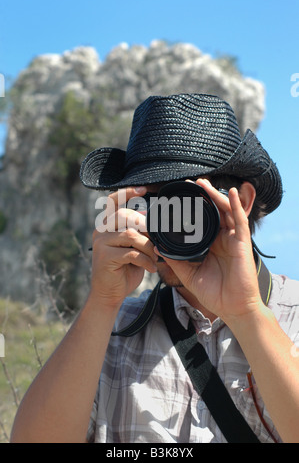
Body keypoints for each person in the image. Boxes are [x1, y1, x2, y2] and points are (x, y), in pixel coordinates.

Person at [11, 94, 299, 443]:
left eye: (187, 203)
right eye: (153, 204)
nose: (170, 223)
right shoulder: (111, 329)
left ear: (244, 201)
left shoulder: (293, 315)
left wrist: (248, 313)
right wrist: (102, 301)